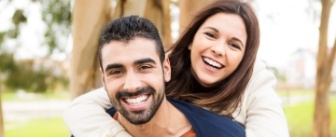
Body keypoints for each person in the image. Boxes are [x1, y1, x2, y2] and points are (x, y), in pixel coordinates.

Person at [64, 0, 289, 137]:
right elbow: (81, 108)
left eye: (234, 45)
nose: (219, 49)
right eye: (211, 35)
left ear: (245, 57)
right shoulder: (156, 67)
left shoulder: (255, 82)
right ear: (191, 39)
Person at [70, 15, 245, 137]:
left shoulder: (225, 134)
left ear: (166, 68)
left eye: (144, 67)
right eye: (116, 72)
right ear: (104, 79)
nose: (132, 85)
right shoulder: (86, 132)